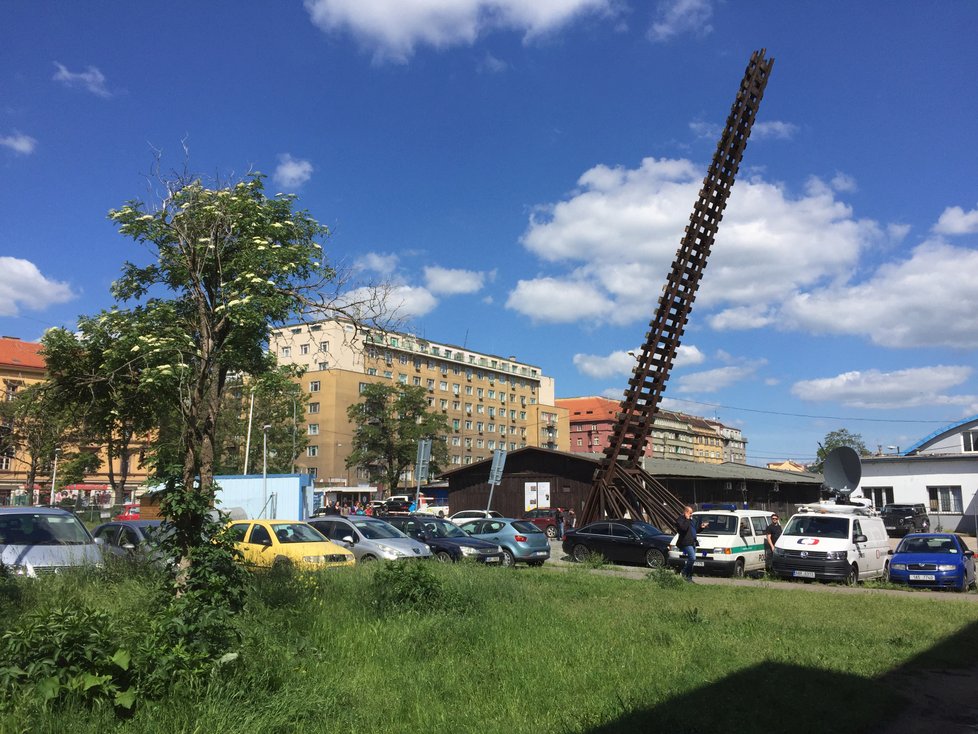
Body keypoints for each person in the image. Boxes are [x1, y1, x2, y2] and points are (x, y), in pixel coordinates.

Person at [674, 506, 702, 582]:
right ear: (686, 512)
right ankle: (683, 571)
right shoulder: (680, 519)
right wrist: (686, 519)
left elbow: (694, 530)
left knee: (691, 561)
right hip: (685, 542)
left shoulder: (690, 520)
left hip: (692, 542)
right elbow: (683, 528)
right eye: (690, 513)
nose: (691, 515)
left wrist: (701, 527)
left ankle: (689, 578)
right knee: (692, 558)